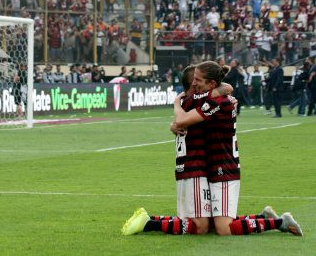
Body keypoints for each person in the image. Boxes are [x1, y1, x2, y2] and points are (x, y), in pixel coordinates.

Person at [122, 65, 300, 236]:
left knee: (216, 227)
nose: (195, 84)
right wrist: (176, 119)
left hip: (218, 168)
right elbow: (218, 94)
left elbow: (191, 113)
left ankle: (276, 222)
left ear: (211, 84)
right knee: (209, 225)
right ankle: (148, 222)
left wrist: (177, 106)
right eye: (194, 81)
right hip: (201, 168)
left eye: (198, 80)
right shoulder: (199, 101)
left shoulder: (205, 102)